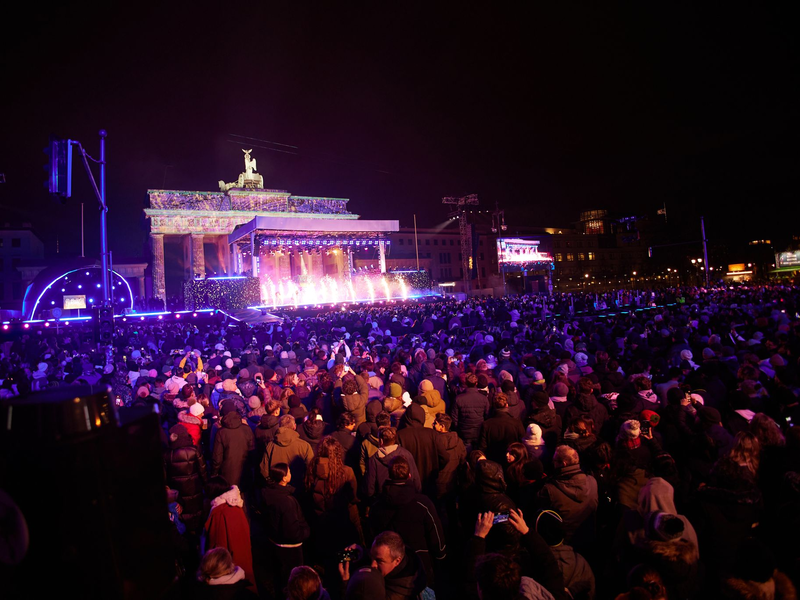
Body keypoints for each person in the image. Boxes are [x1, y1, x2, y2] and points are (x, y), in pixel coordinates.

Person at [368, 455, 446, 586]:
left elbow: (372, 535)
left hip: (389, 567)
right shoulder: (423, 503)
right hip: (420, 564)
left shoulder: (377, 506)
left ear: (389, 475)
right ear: (409, 475)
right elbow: (435, 533)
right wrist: (440, 556)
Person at [536, 445, 598, 553]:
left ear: (563, 464)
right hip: (589, 539)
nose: (552, 463)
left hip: (564, 544)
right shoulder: (592, 481)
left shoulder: (550, 490)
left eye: (554, 460)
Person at [259, 463, 311, 591]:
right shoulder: (287, 502)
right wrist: (306, 532)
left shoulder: (267, 493)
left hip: (275, 544)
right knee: (293, 583)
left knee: (279, 579)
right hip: (290, 549)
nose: (290, 474)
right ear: (284, 478)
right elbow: (292, 532)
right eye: (289, 472)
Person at [203, 478, 255, 589]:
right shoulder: (234, 506)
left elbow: (217, 545)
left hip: (228, 571)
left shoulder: (220, 513)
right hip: (242, 562)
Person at [165, 423, 208, 533]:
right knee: (196, 518)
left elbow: (165, 479)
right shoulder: (194, 451)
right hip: (195, 491)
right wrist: (206, 487)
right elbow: (203, 472)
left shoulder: (167, 455)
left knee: (182, 521)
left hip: (178, 496)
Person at [261, 415, 315, 497]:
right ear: (294, 427)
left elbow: (264, 469)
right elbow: (311, 469)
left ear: (279, 426)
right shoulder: (305, 446)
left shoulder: (270, 446)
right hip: (298, 490)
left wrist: (272, 485)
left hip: (276, 491)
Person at [364, 426, 421, 498]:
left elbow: (370, 488)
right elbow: (416, 480)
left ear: (381, 441)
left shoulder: (373, 460)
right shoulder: (406, 454)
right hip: (406, 497)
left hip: (384, 499)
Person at [211, 407, 255, 489]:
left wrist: (214, 473)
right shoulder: (246, 429)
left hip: (227, 473)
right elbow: (252, 450)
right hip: (244, 470)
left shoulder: (221, 433)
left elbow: (217, 456)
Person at [478, 393, 526, 465]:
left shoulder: (487, 424)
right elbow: (522, 442)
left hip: (493, 461)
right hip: (512, 460)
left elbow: (482, 446)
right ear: (507, 405)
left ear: (494, 406)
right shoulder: (517, 423)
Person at [452, 373, 491, 448]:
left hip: (464, 431)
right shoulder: (483, 398)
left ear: (466, 383)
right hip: (479, 430)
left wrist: (458, 428)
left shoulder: (458, 399)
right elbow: (487, 415)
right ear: (476, 383)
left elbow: (454, 417)